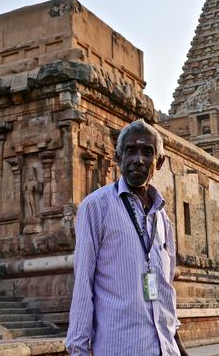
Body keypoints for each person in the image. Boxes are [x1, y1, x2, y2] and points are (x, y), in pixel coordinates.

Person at [66, 119, 188, 356]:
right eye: (131, 151)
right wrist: (78, 351)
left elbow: (165, 289)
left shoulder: (162, 218)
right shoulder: (96, 208)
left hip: (165, 349)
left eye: (148, 152)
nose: (138, 160)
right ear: (118, 157)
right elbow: (83, 285)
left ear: (159, 162)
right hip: (121, 348)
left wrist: (179, 347)